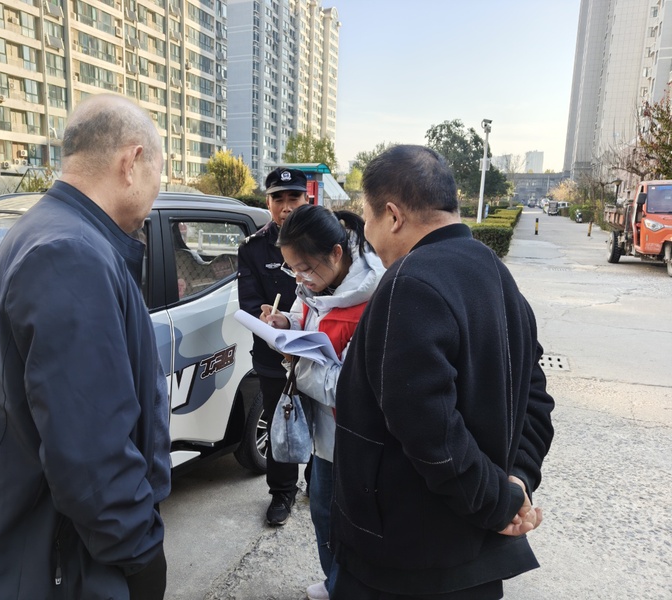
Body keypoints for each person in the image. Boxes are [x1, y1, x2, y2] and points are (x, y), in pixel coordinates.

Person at [0, 94, 171, 600]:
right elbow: (90, 454)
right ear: (132, 162)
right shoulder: (71, 253)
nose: (158, 188)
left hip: (50, 553)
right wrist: (141, 553)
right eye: (160, 172)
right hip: (61, 566)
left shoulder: (51, 230)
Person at [330, 145, 555, 600]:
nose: (367, 235)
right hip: (472, 556)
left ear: (393, 216)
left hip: (407, 562)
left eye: (367, 219)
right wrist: (517, 480)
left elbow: (431, 434)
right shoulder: (496, 273)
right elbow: (535, 397)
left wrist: (501, 502)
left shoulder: (408, 283)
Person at [261, 204, 384, 600]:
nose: (299, 279)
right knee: (322, 510)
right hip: (324, 433)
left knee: (352, 522)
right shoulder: (318, 283)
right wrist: (286, 324)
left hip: (357, 436)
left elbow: (352, 389)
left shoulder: (373, 300)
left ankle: (349, 587)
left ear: (336, 253)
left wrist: (295, 362)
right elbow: (308, 321)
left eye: (304, 269)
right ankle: (335, 583)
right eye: (292, 270)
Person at [237, 166, 309, 526]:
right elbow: (250, 305)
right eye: (278, 198)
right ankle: (282, 492)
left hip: (318, 354)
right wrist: (271, 328)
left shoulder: (326, 240)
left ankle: (318, 483)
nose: (286, 206)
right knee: (281, 425)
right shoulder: (252, 249)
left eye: (294, 197)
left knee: (323, 422)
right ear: (268, 203)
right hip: (273, 357)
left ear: (307, 198)